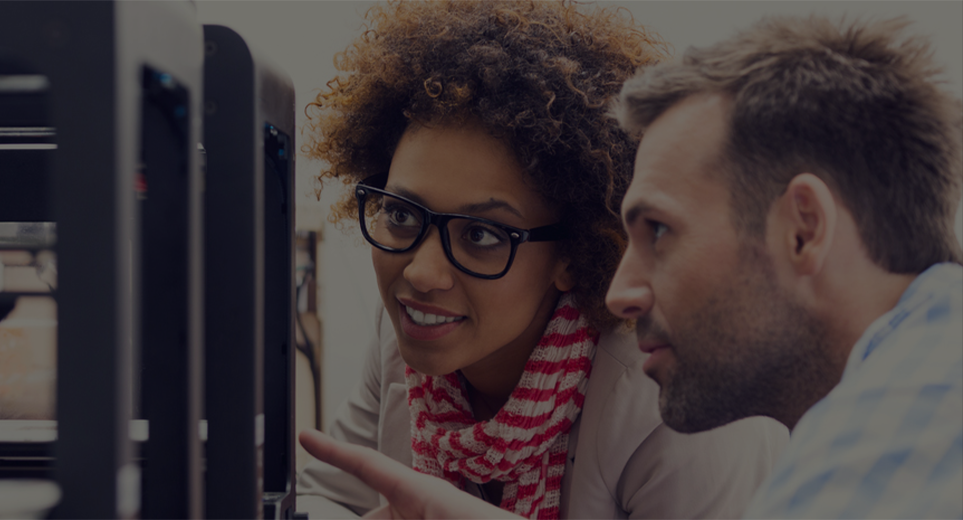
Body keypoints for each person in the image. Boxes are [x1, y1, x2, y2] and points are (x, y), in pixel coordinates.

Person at [301, 13, 963, 520]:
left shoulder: (896, 433)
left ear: (803, 231)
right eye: (401, 216)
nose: (618, 289)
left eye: (658, 232)